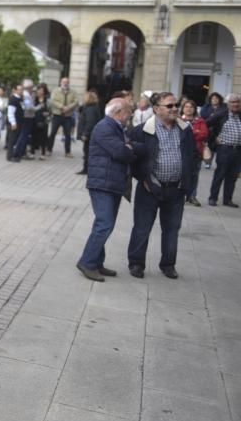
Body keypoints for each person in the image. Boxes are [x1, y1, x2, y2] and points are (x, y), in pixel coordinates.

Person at [126, 92, 199, 279]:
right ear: (157, 109)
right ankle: (136, 263)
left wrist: (188, 183)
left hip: (176, 189)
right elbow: (130, 156)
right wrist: (142, 178)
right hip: (149, 188)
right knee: (142, 227)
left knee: (172, 229)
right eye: (169, 106)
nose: (175, 108)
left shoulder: (185, 130)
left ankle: (168, 264)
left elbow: (192, 156)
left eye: (176, 105)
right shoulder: (142, 130)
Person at [75, 98, 140, 281]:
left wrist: (128, 147)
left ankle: (96, 262)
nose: (130, 115)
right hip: (102, 183)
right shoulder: (105, 127)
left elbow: (126, 149)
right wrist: (127, 149)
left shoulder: (115, 127)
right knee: (104, 224)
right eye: (128, 111)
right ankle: (87, 263)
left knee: (104, 223)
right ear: (118, 112)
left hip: (111, 181)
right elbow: (121, 152)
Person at [207, 93, 241, 207]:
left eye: (238, 102)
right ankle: (213, 198)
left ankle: (227, 199)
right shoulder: (220, 115)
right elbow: (206, 125)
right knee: (220, 174)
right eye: (233, 102)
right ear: (228, 104)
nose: (236, 104)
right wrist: (213, 138)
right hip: (224, 149)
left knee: (232, 176)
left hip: (238, 150)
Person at [179, 99, 207, 207]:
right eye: (186, 107)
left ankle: (192, 196)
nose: (188, 109)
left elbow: (204, 134)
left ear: (195, 109)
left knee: (194, 175)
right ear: (183, 109)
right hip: (181, 151)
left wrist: (190, 133)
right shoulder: (179, 120)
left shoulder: (200, 121)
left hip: (196, 152)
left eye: (191, 107)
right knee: (181, 174)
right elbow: (179, 135)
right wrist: (195, 132)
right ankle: (181, 195)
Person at [75, 91, 103, 176]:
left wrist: (85, 134)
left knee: (87, 152)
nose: (83, 98)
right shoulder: (91, 107)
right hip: (91, 135)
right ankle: (87, 169)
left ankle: (87, 169)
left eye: (85, 97)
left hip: (89, 135)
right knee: (88, 152)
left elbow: (90, 123)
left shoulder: (90, 109)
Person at [49, 77, 78, 157]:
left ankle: (67, 152)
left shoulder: (73, 92)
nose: (65, 83)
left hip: (68, 116)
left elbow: (76, 101)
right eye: (64, 82)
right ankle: (49, 150)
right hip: (57, 115)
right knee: (53, 133)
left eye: (67, 82)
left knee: (68, 134)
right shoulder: (55, 91)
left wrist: (68, 107)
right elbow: (53, 101)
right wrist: (61, 107)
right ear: (60, 82)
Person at [10, 80, 36, 162]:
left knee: (24, 136)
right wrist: (38, 108)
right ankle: (18, 153)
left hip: (26, 117)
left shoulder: (27, 94)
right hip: (26, 117)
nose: (32, 89)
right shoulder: (26, 95)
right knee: (23, 136)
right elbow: (28, 107)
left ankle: (20, 152)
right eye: (31, 87)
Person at [31, 83, 51, 159]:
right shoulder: (34, 99)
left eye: (42, 90)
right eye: (39, 90)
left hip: (44, 121)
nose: (40, 92)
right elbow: (31, 109)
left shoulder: (47, 100)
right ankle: (32, 152)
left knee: (43, 137)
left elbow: (50, 111)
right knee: (34, 136)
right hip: (34, 119)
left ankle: (43, 154)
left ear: (44, 91)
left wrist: (48, 114)